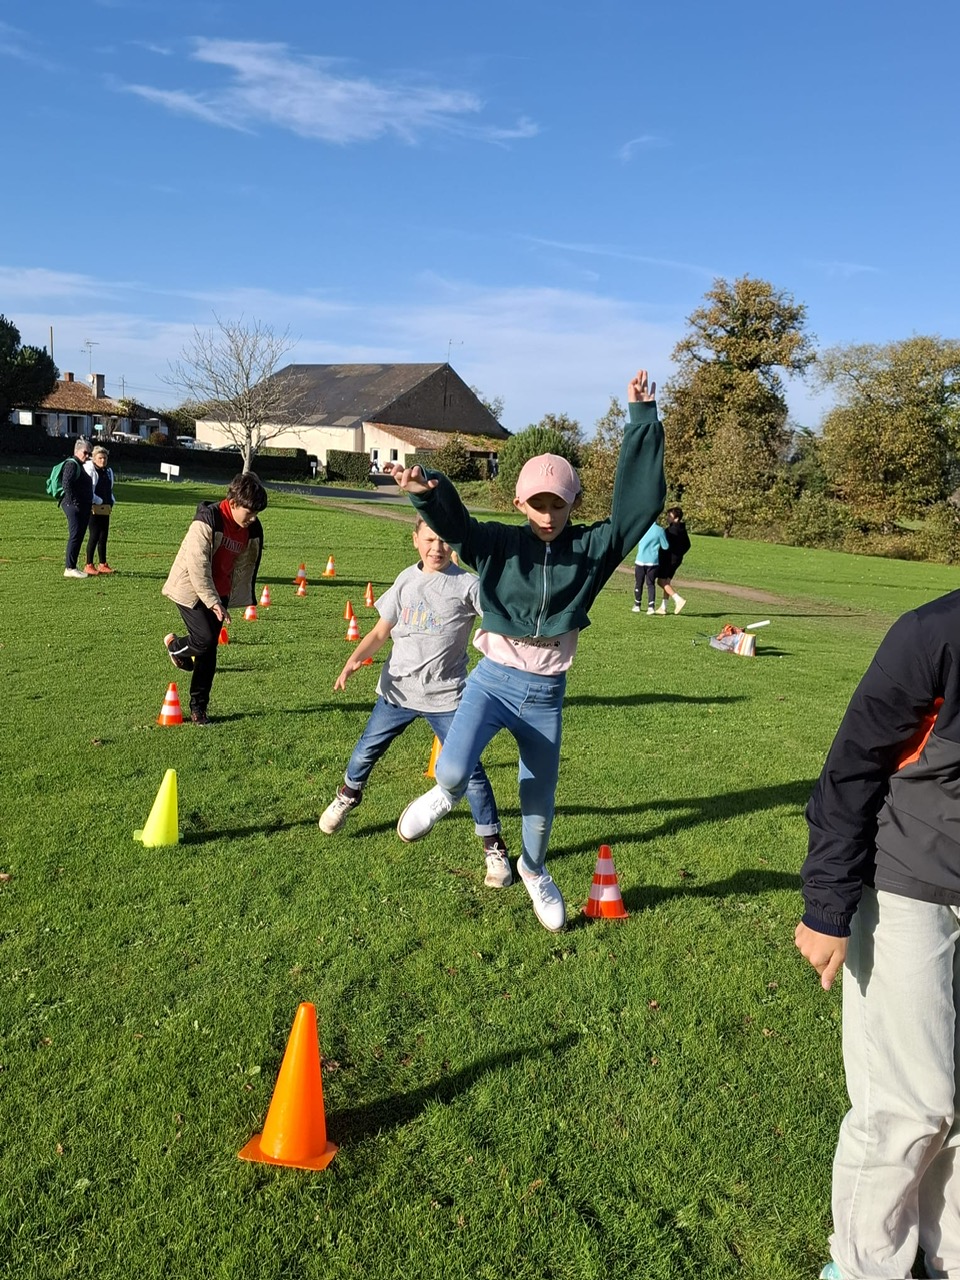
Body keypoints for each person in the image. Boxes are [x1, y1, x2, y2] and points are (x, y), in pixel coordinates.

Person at [383, 368, 665, 932]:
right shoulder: (498, 544)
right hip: (492, 681)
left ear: (573, 502)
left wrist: (640, 420)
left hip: (545, 695)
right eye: (536, 503)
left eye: (557, 504)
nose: (546, 514)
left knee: (538, 808)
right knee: (455, 768)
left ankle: (534, 871)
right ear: (518, 500)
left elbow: (638, 509)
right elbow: (456, 524)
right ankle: (445, 794)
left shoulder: (591, 548)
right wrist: (426, 490)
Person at [796, 590, 960, 1280]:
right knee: (911, 1101)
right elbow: (851, 770)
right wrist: (828, 908)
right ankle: (865, 1266)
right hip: (910, 882)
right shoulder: (934, 634)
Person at [317, 514, 511, 889]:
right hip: (397, 692)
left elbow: (499, 620)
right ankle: (347, 796)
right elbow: (379, 631)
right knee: (364, 751)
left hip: (448, 697)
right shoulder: (406, 580)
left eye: (443, 540)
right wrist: (353, 661)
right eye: (429, 539)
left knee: (470, 772)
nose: (437, 548)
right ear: (415, 540)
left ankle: (494, 849)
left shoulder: (468, 585)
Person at [161, 472, 267, 725]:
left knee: (209, 652)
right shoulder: (207, 521)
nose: (253, 518)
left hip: (220, 592)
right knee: (205, 639)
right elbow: (197, 567)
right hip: (190, 589)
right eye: (249, 512)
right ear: (233, 503)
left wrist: (227, 595)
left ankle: (199, 708)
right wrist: (213, 602)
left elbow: (244, 562)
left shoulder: (251, 528)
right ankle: (175, 647)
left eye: (256, 514)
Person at [61, 437, 94, 578]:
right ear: (77, 451)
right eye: (85, 453)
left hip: (79, 505)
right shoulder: (72, 464)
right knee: (75, 535)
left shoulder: (79, 465)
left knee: (79, 535)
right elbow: (66, 484)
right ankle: (69, 568)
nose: (87, 456)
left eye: (89, 454)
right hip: (73, 505)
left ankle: (72, 566)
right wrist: (74, 502)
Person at [83, 444, 116, 575]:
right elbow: (89, 490)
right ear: (94, 458)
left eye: (105, 458)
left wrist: (111, 500)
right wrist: (98, 501)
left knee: (104, 536)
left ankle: (103, 563)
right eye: (100, 458)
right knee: (94, 535)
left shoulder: (108, 472)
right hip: (93, 508)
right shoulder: (90, 471)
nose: (103, 461)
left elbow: (110, 488)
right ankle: (89, 564)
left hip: (105, 508)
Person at [655, 506, 690, 614]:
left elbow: (665, 546)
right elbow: (688, 545)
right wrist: (679, 554)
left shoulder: (670, 531)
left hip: (668, 560)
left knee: (660, 581)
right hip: (677, 560)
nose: (667, 518)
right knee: (667, 582)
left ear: (676, 518)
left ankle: (678, 599)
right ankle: (663, 607)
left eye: (669, 516)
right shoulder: (682, 530)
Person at [633, 520, 668, 615]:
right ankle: (651, 607)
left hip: (640, 560)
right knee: (650, 584)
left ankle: (637, 605)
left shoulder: (641, 528)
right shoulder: (660, 530)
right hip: (652, 562)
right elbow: (665, 546)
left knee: (638, 583)